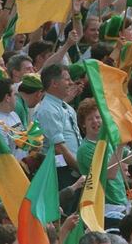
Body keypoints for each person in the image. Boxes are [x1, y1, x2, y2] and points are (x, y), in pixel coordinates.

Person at [33, 64, 82, 206]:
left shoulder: (65, 107)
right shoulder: (48, 110)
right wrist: (80, 168)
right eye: (67, 79)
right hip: (61, 172)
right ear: (54, 83)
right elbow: (59, 147)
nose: (71, 83)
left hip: (73, 170)